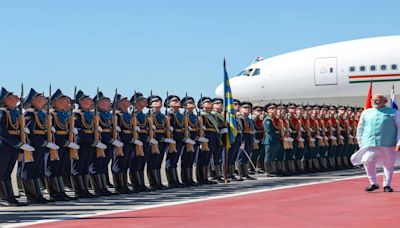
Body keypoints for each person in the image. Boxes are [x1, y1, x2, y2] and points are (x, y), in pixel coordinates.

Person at [351, 94, 400, 192]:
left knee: (389, 163)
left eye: (378, 100)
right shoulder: (366, 112)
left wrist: (399, 142)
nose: (375, 101)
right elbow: (360, 128)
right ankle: (373, 183)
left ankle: (387, 185)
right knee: (367, 160)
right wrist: (360, 142)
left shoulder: (393, 112)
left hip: (389, 143)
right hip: (370, 142)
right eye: (373, 99)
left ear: (385, 101)